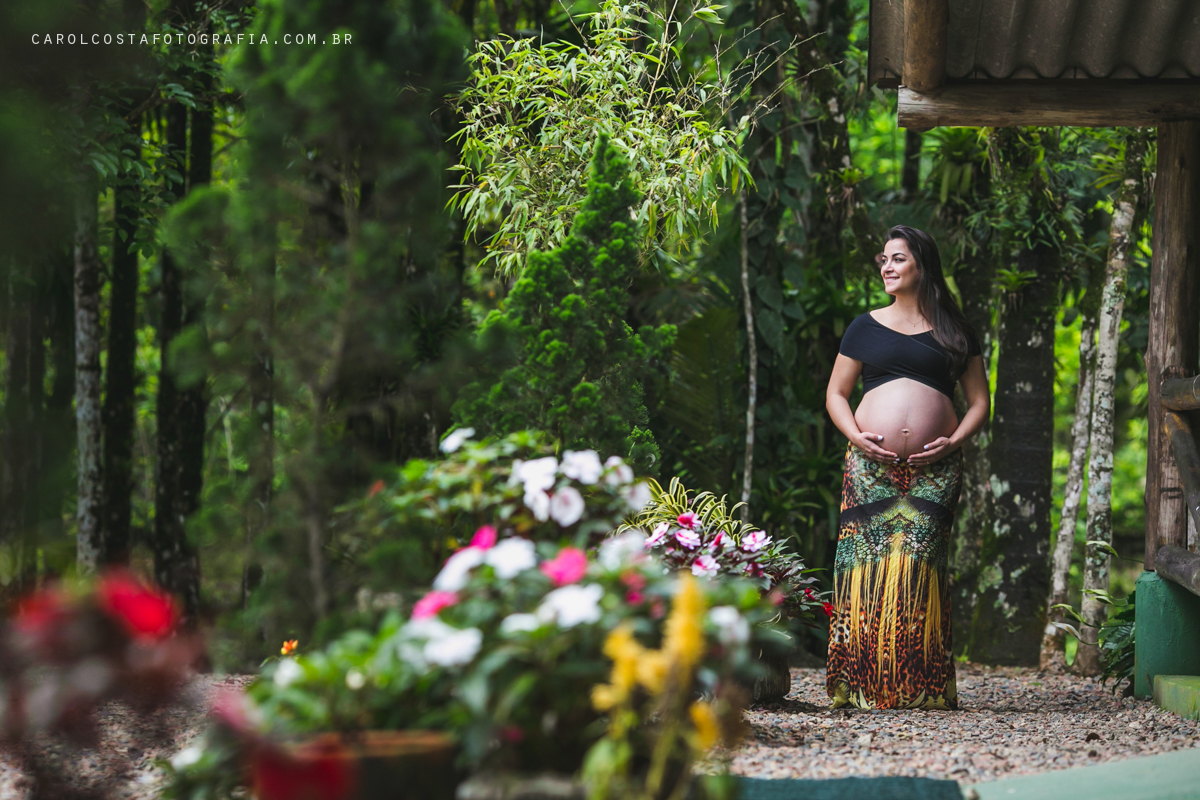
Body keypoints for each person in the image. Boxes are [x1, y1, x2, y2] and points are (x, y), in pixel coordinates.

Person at [823, 225, 989, 710]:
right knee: (864, 570)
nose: (887, 267)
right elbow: (836, 393)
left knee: (918, 568)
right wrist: (856, 436)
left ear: (923, 265)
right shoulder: (864, 326)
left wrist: (952, 442)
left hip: (935, 469)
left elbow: (980, 401)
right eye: (883, 259)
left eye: (898, 258)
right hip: (868, 467)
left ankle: (920, 687)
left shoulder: (955, 330)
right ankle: (860, 686)